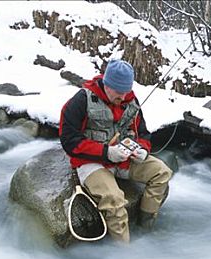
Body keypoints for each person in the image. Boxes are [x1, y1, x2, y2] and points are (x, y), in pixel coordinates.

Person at [59, 59, 172, 243]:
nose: (123, 96)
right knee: (114, 200)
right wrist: (106, 152)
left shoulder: (130, 101)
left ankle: (145, 229)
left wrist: (142, 149)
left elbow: (143, 133)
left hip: (124, 160)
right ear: (106, 84)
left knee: (162, 173)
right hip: (91, 162)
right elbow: (69, 140)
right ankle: (124, 256)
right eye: (119, 92)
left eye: (126, 91)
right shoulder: (81, 100)